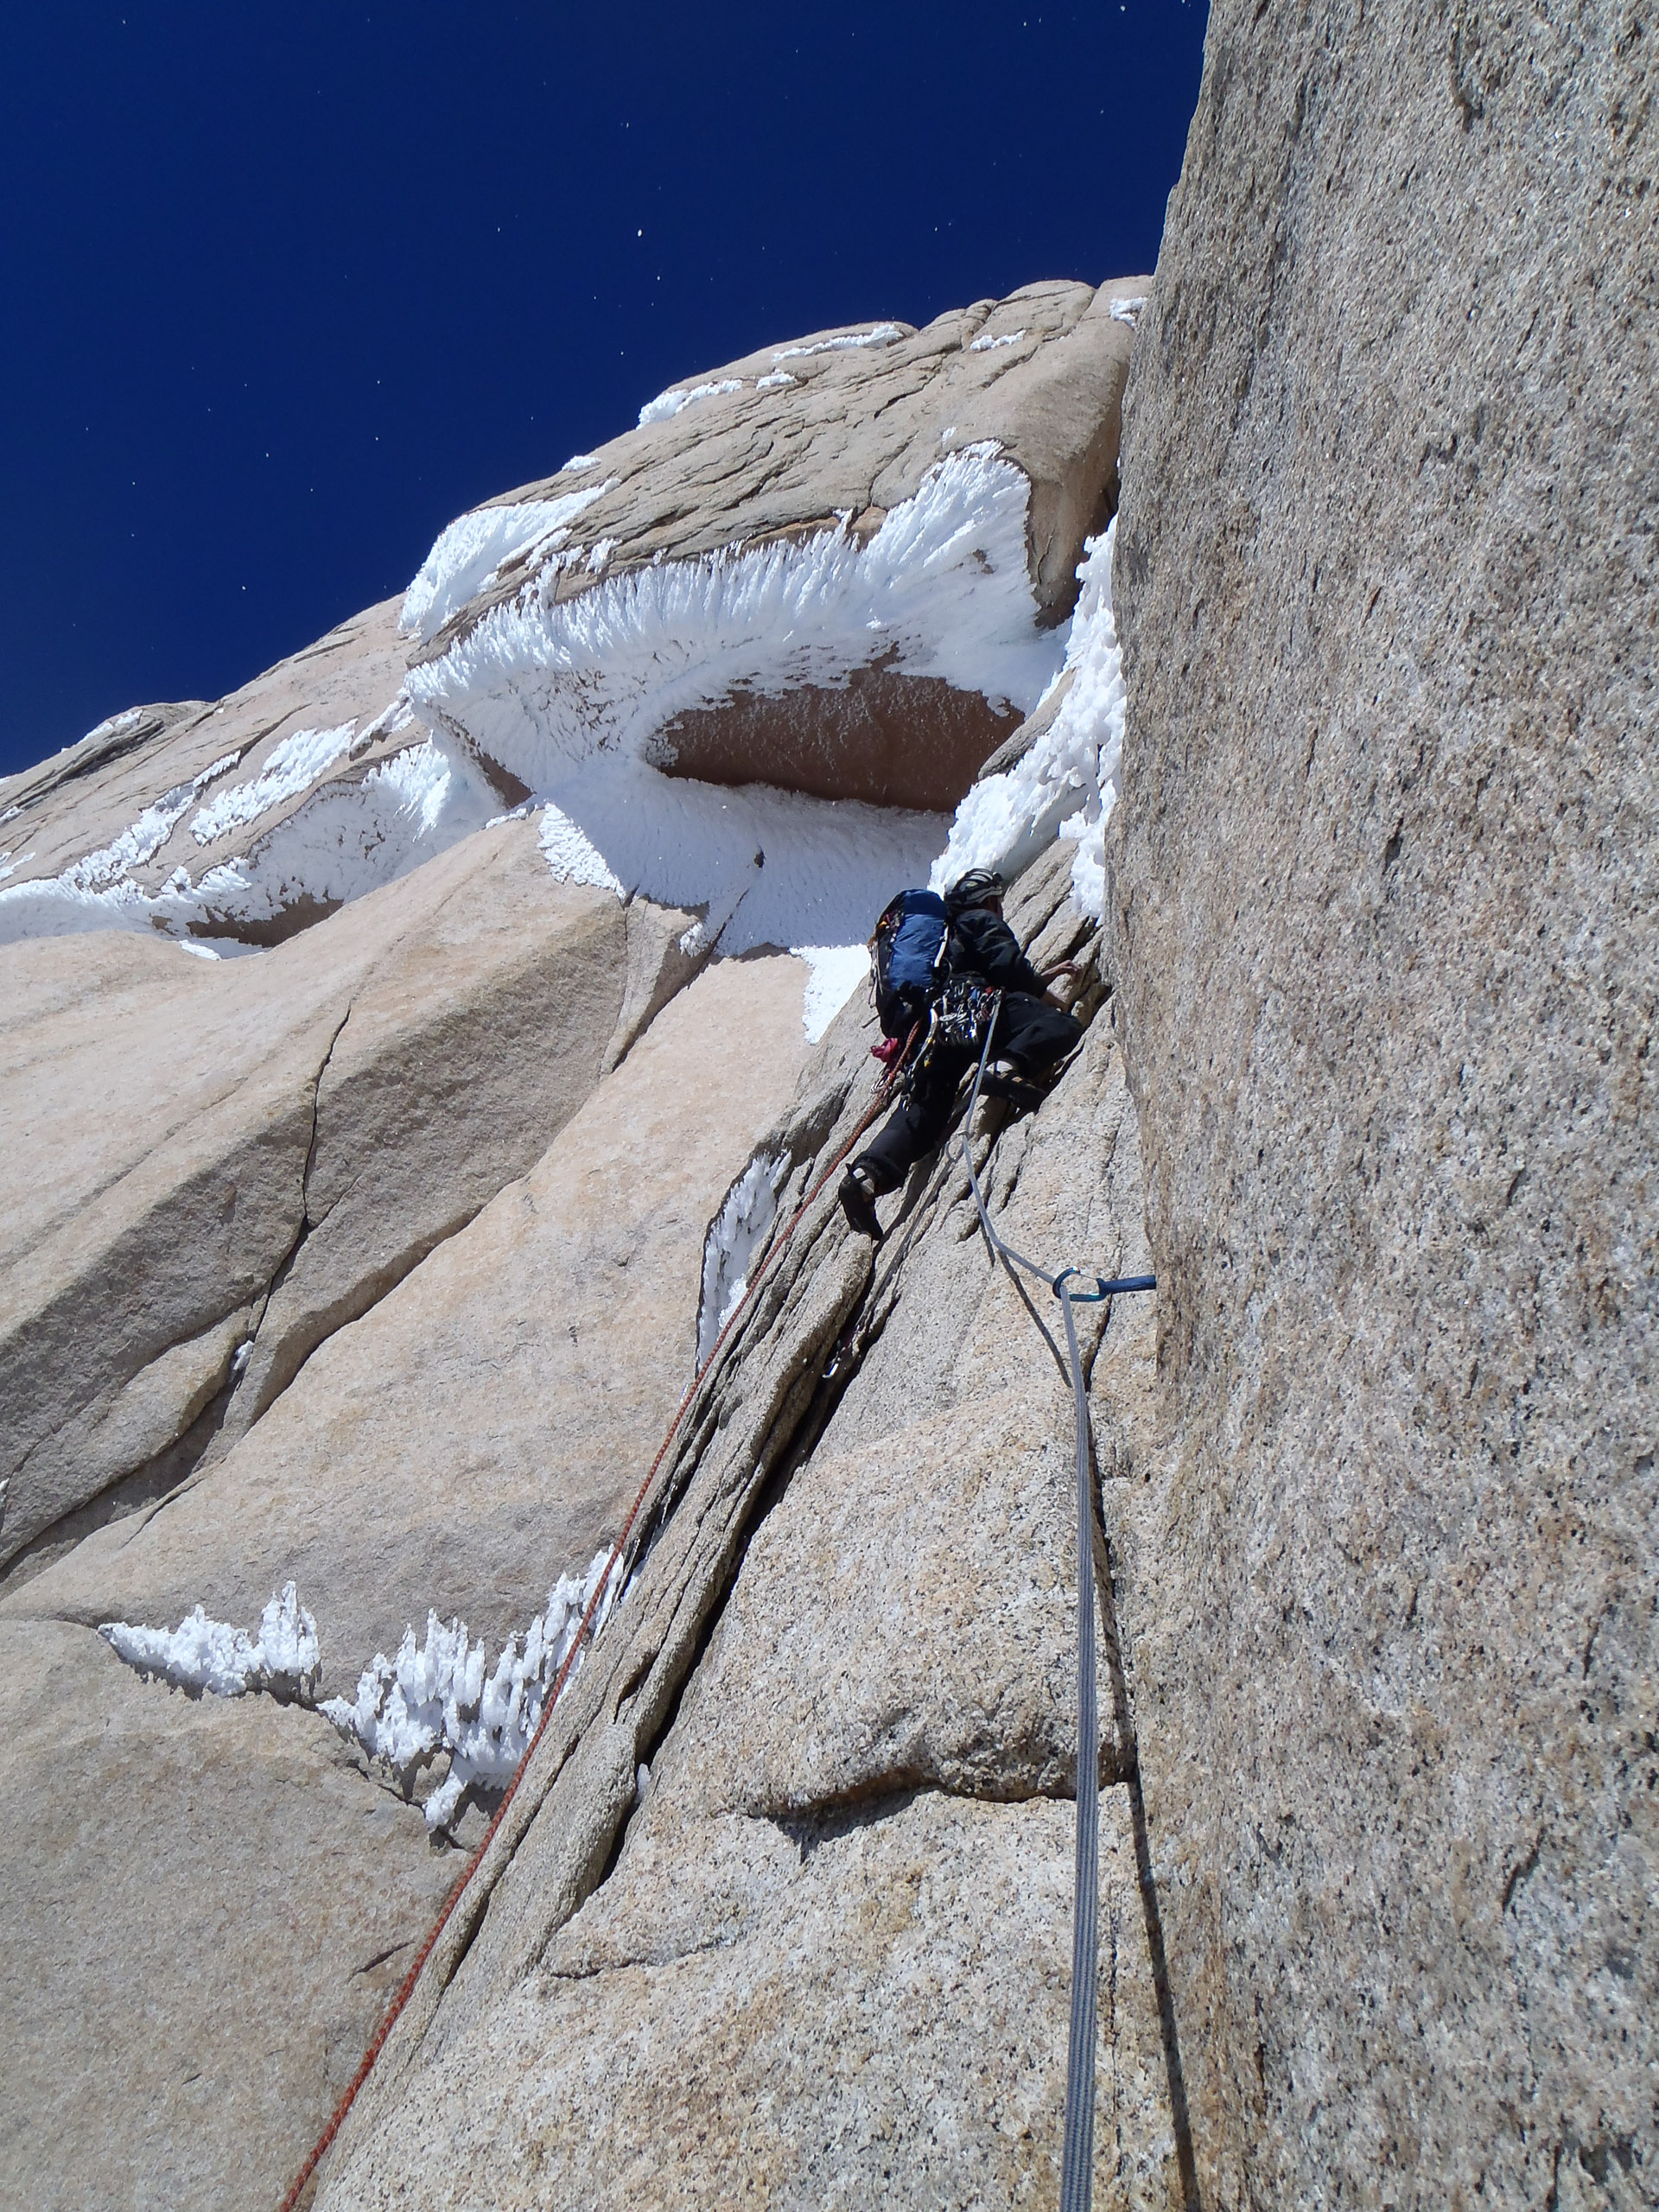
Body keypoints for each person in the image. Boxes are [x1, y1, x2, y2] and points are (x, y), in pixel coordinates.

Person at [840, 868, 1083, 1239]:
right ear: (986, 899)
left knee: (925, 1111)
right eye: (997, 903)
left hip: (933, 1032)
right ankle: (1005, 1067)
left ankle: (866, 1176)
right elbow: (1005, 964)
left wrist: (1041, 977)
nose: (999, 910)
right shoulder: (976, 919)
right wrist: (1048, 999)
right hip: (970, 1009)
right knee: (1058, 1026)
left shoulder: (936, 945)